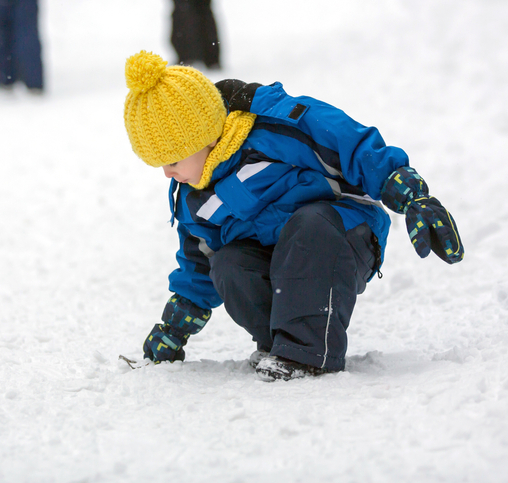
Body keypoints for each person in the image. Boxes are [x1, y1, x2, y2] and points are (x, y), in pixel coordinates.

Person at [123, 51, 465, 381]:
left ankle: (309, 352)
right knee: (229, 264)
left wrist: (411, 195)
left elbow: (352, 145)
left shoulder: (274, 130)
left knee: (309, 227)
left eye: (173, 161)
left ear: (205, 140)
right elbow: (198, 266)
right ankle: (282, 344)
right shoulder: (194, 199)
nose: (168, 175)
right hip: (283, 258)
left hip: (342, 235)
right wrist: (172, 330)